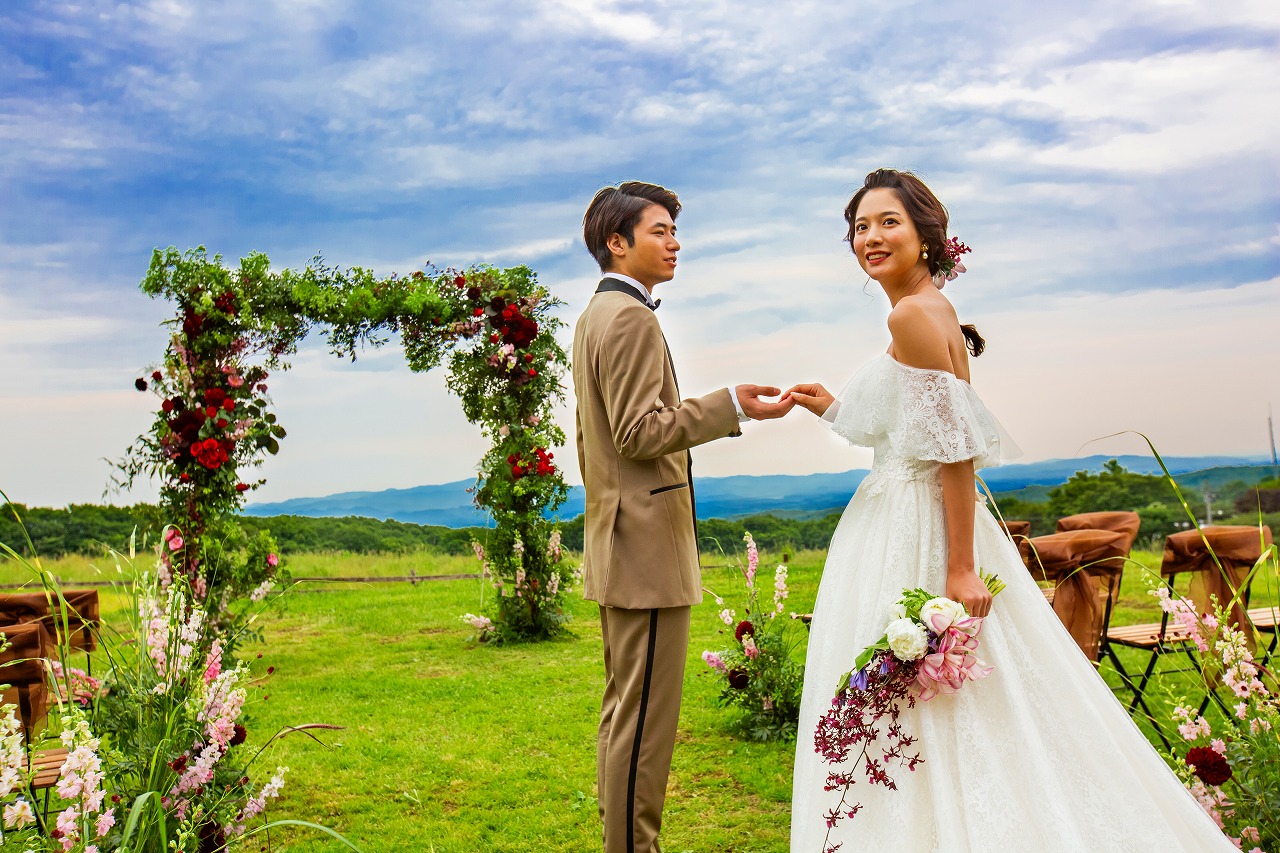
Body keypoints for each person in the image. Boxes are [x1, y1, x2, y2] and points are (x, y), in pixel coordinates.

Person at [784, 169, 1236, 851]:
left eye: (888, 222)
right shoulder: (926, 308)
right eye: (860, 227)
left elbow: (954, 451)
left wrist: (961, 568)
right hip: (905, 511)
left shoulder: (910, 314)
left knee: (917, 705)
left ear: (926, 234)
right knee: (941, 708)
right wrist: (833, 406)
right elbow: (907, 426)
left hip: (915, 526)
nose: (870, 237)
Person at [572, 181, 794, 853]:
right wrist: (729, 405)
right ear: (619, 241)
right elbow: (639, 433)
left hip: (618, 543)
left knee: (624, 715)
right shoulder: (631, 317)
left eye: (674, 231)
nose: (674, 242)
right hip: (644, 549)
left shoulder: (594, 315)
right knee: (644, 726)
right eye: (661, 230)